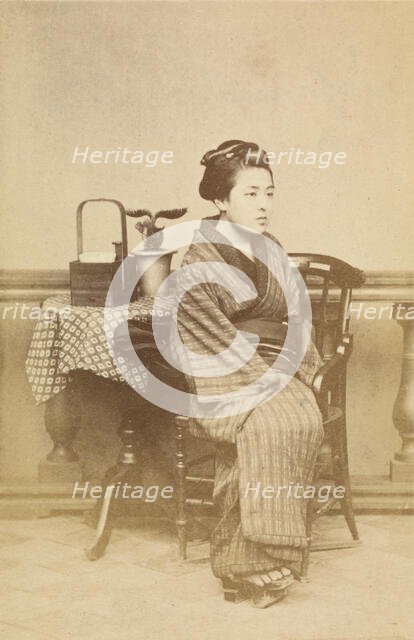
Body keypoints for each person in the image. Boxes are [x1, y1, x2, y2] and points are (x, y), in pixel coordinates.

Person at [174, 140, 324, 608]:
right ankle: (258, 565)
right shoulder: (199, 257)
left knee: (301, 422)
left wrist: (300, 367)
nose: (264, 205)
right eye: (251, 194)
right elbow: (204, 332)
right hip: (227, 372)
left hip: (279, 365)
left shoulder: (271, 247)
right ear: (220, 200)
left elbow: (297, 315)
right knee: (269, 425)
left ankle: (244, 566)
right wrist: (258, 380)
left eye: (269, 193)